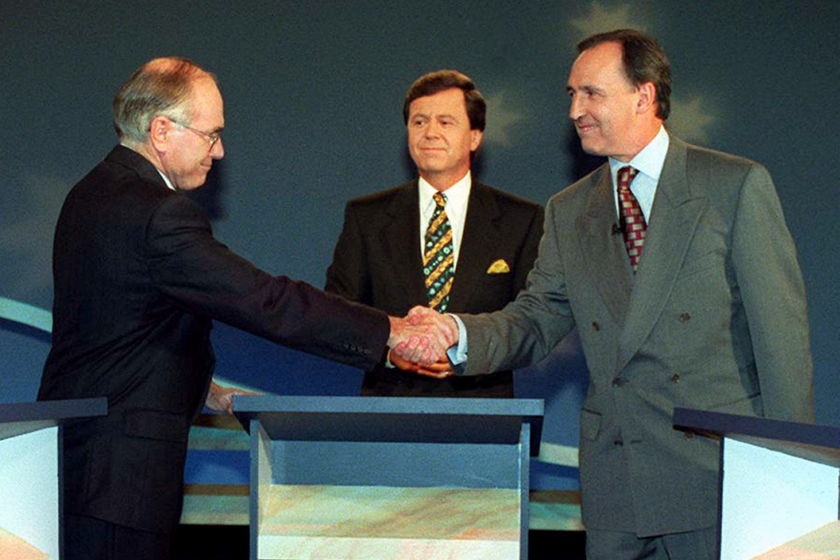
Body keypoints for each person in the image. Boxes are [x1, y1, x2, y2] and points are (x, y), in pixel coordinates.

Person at [399, 29, 814, 559]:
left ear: (644, 96)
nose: (575, 110)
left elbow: (781, 342)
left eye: (591, 93)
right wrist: (455, 331)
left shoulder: (733, 187)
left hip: (715, 481)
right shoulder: (570, 209)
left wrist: (791, 477)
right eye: (571, 95)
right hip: (617, 486)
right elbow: (534, 318)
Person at [36, 57, 446, 560]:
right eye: (211, 135)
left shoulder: (91, 193)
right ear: (162, 130)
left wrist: (206, 391)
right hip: (120, 480)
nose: (220, 151)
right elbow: (264, 300)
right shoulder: (156, 212)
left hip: (85, 466)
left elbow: (118, 329)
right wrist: (389, 330)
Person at [325, 69, 543, 397]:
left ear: (475, 136)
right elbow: (339, 313)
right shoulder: (366, 217)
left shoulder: (521, 220)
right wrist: (388, 354)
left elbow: (532, 323)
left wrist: (468, 350)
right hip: (389, 413)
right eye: (419, 121)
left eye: (445, 122)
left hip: (484, 417)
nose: (430, 133)